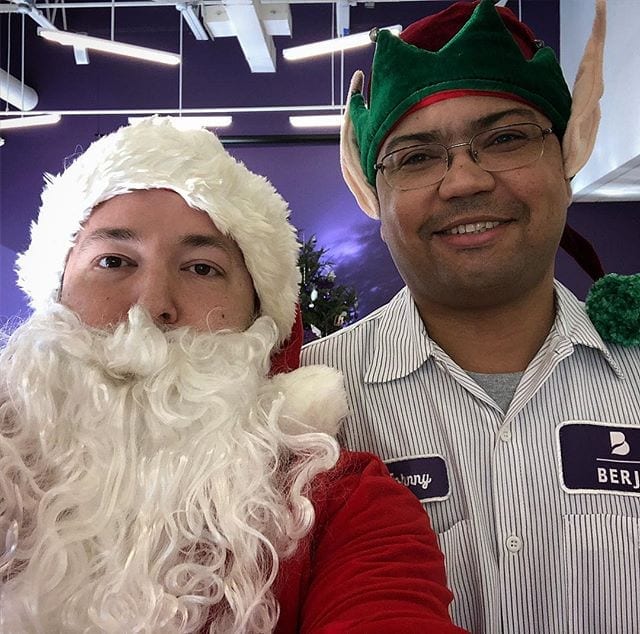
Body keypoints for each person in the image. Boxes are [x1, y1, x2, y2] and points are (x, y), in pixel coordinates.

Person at [0, 117, 467, 633]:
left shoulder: (345, 507)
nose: (152, 306)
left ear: (259, 320)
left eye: (201, 268)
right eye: (113, 261)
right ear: (57, 292)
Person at [302, 1, 640, 632]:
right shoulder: (299, 405)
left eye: (506, 139)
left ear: (568, 157)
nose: (463, 182)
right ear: (373, 195)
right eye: (415, 157)